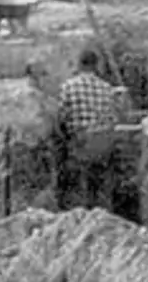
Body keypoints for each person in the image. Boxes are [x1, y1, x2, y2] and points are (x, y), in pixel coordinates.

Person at [54, 47, 127, 213]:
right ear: (96, 65)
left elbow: (60, 118)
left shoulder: (68, 87)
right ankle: (103, 208)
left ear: (79, 65)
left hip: (82, 144)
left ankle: (76, 207)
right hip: (105, 146)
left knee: (69, 164)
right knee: (100, 177)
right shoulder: (107, 88)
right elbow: (114, 118)